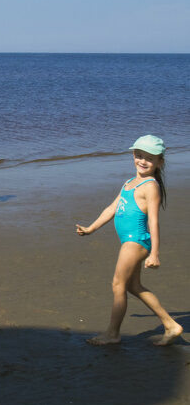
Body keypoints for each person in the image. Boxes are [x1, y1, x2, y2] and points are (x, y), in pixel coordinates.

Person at [75, 135, 183, 346]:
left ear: (160, 162)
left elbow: (154, 222)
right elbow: (112, 208)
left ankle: (112, 334)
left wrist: (154, 253)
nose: (142, 161)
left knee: (118, 285)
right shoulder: (130, 182)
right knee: (133, 286)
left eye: (149, 158)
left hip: (136, 240)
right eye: (139, 155)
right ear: (133, 155)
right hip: (129, 240)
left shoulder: (151, 186)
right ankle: (171, 325)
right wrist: (91, 228)